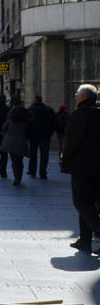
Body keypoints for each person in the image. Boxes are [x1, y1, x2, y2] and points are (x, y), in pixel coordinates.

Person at [60, 84, 100, 254]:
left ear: (82, 97)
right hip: (98, 167)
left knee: (81, 202)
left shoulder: (80, 115)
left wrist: (65, 158)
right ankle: (85, 240)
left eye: (77, 94)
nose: (76, 97)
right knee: (90, 202)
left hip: (83, 166)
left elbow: (72, 141)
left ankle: (92, 235)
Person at [0, 102, 32, 186]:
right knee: (20, 160)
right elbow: (29, 132)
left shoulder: (10, 120)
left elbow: (4, 128)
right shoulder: (26, 121)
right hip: (21, 142)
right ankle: (19, 176)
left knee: (14, 160)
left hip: (11, 142)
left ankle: (16, 177)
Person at [27, 95, 56, 179]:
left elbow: (27, 123)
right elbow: (54, 122)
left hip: (33, 135)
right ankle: (42, 172)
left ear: (35, 100)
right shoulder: (49, 110)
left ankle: (32, 170)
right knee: (44, 154)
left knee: (33, 153)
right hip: (45, 135)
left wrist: (27, 134)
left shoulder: (30, 110)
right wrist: (50, 132)